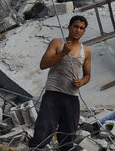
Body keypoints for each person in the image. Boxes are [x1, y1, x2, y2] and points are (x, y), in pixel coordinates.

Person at [31, 16, 92, 151]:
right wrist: (63, 53)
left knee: (68, 135)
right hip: (53, 94)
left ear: (84, 31)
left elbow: (87, 75)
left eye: (81, 28)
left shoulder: (86, 51)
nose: (78, 30)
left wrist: (81, 82)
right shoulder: (57, 43)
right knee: (43, 130)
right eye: (75, 26)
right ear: (69, 27)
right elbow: (43, 64)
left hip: (71, 97)